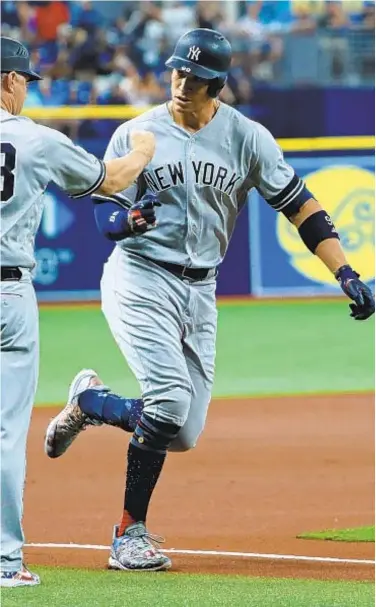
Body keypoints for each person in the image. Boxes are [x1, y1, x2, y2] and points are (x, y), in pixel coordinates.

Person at [44, 28, 375, 572]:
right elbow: (103, 215)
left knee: (184, 432)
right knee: (169, 402)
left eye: (195, 77)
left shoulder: (247, 138)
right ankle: (129, 535)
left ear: (217, 83)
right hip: (139, 277)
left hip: (201, 289)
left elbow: (301, 206)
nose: (181, 81)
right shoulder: (138, 133)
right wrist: (126, 220)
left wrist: (346, 271)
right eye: (177, 70)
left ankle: (91, 403)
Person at [0, 36, 157, 588]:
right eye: (24, 81)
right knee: (4, 431)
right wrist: (141, 148)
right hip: (8, 294)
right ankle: (5, 563)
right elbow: (110, 180)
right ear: (11, 81)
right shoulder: (35, 138)